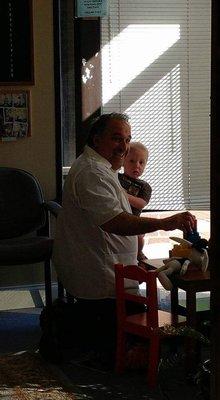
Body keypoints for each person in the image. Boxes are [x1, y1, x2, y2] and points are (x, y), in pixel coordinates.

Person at [52, 112, 196, 362]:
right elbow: (114, 222)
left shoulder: (103, 168)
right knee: (126, 350)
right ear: (97, 139)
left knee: (133, 340)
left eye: (127, 139)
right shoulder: (92, 173)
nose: (124, 146)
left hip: (110, 270)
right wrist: (166, 222)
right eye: (117, 138)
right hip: (100, 276)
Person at [118, 141, 152, 265]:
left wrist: (124, 196)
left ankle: (139, 254)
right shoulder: (116, 178)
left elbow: (141, 203)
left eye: (141, 162)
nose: (136, 165)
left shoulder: (144, 186)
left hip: (133, 219)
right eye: (132, 161)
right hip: (118, 216)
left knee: (139, 236)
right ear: (123, 161)